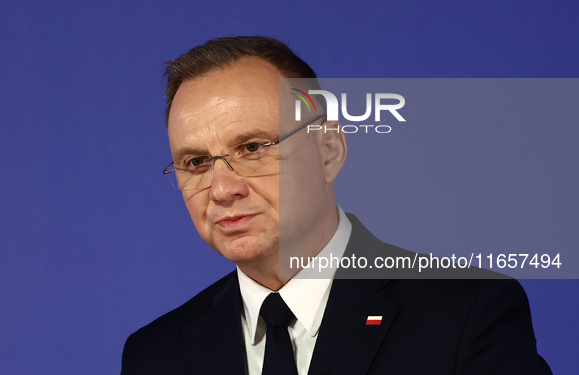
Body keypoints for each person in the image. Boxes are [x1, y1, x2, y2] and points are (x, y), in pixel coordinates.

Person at [121, 36, 552, 374]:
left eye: (252, 147)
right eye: (196, 162)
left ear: (328, 150)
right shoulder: (155, 354)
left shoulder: (466, 315)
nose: (221, 189)